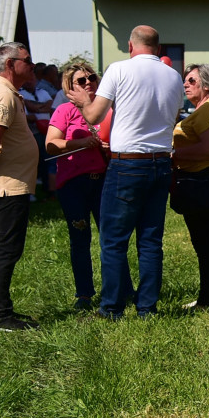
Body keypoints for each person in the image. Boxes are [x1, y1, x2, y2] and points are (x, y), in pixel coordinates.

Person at [66, 25, 184, 319]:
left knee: (114, 239)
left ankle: (112, 307)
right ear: (158, 48)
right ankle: (147, 307)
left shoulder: (119, 70)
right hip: (160, 162)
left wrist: (83, 101)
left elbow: (93, 115)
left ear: (131, 46)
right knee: (150, 239)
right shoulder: (173, 76)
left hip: (128, 162)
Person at [45, 63, 110, 311]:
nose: (88, 83)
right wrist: (82, 142)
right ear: (69, 87)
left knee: (111, 238)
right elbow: (51, 145)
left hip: (103, 180)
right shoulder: (64, 110)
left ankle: (116, 290)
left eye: (91, 78)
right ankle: (84, 294)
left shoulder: (106, 109)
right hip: (74, 184)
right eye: (80, 81)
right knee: (80, 238)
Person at [0, 43, 41, 331]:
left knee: (6, 249)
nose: (32, 66)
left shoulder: (8, 93)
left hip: (10, 183)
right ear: (11, 64)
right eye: (28, 61)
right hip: (8, 185)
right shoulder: (3, 96)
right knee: (7, 250)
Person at [171, 63, 209, 309]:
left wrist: (172, 155)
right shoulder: (204, 108)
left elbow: (207, 148)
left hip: (202, 180)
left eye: (192, 80)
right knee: (203, 242)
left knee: (204, 242)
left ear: (207, 85)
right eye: (186, 80)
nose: (186, 84)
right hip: (198, 179)